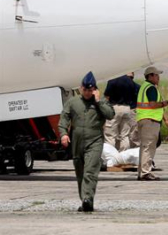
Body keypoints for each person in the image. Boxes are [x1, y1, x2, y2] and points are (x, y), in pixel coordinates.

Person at [59, 72, 115, 212]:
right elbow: (64, 118)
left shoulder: (100, 102)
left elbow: (110, 114)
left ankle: (88, 199)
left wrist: (99, 101)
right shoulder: (73, 102)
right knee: (80, 172)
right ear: (81, 88)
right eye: (85, 90)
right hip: (77, 142)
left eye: (90, 90)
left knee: (90, 171)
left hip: (94, 141)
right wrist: (64, 134)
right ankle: (84, 199)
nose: (87, 93)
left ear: (95, 90)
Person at [136, 66, 168, 181]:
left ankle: (141, 171)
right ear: (150, 76)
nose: (158, 77)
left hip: (143, 119)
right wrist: (163, 104)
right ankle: (145, 173)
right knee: (149, 147)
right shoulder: (151, 88)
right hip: (150, 121)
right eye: (156, 75)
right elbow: (152, 104)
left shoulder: (143, 87)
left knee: (144, 147)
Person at [103, 72, 138, 152]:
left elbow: (107, 96)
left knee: (110, 135)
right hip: (127, 108)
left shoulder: (112, 80)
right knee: (125, 135)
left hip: (114, 108)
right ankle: (123, 156)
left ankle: (111, 155)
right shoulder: (130, 82)